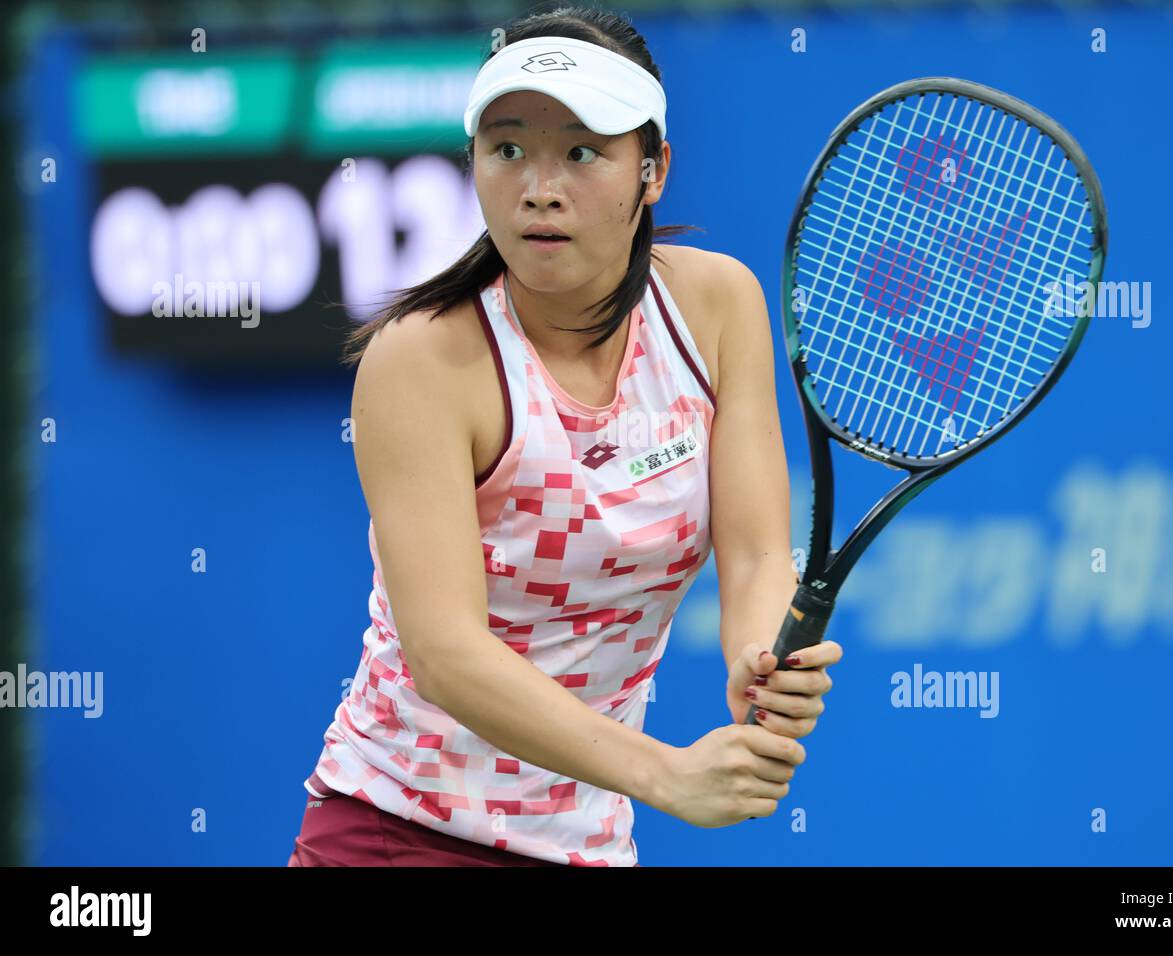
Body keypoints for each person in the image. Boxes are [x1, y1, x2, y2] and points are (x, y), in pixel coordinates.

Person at [288, 5, 842, 868]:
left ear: (653, 171)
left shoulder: (717, 307)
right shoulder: (422, 361)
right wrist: (666, 777)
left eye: (583, 151)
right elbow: (445, 654)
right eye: (507, 149)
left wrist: (761, 658)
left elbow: (759, 552)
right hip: (396, 835)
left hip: (586, 848)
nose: (540, 186)